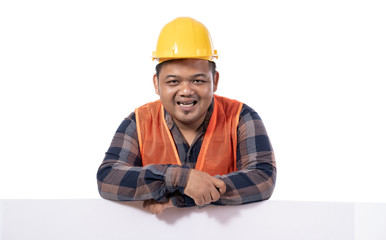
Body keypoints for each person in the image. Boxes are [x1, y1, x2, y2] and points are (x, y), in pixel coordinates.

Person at [97, 17, 276, 214]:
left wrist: (178, 197)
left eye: (198, 81)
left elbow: (262, 178)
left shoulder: (241, 117)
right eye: (173, 82)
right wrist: (179, 178)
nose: (186, 91)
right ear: (156, 84)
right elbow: (108, 177)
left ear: (214, 81)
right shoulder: (138, 122)